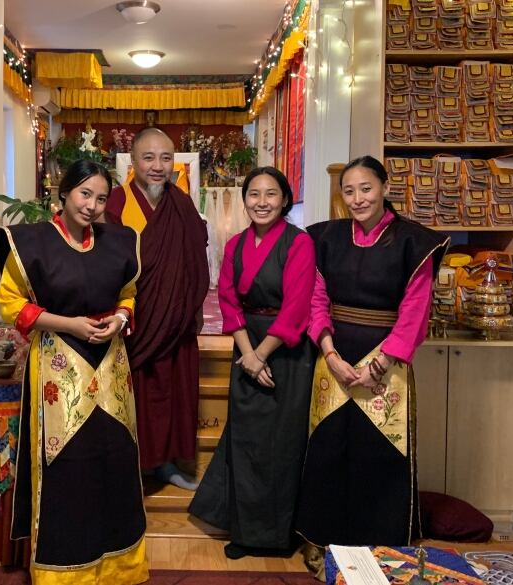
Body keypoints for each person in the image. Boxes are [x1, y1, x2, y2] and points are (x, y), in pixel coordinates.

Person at [0, 160, 148, 585]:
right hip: (59, 366)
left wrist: (119, 319)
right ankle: (63, 572)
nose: (92, 205)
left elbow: (128, 294)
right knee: (65, 465)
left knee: (114, 459)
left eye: (101, 198)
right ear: (62, 194)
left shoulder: (119, 241)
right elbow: (13, 305)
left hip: (111, 363)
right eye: (85, 194)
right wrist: (70, 324)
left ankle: (119, 566)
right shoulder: (32, 243)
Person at [296, 155, 449, 579]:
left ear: (384, 187)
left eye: (366, 188)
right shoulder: (325, 239)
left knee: (378, 456)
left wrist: (381, 363)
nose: (358, 198)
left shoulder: (413, 242)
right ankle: (322, 541)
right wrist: (328, 352)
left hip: (388, 363)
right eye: (349, 191)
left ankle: (379, 546)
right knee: (328, 450)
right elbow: (316, 299)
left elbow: (416, 309)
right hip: (335, 361)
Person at [189, 167, 316, 559]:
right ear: (244, 200)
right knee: (245, 441)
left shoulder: (299, 243)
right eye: (254, 195)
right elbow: (228, 299)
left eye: (271, 194)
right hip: (246, 346)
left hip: (287, 351)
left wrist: (261, 355)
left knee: (283, 442)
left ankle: (280, 536)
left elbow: (297, 307)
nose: (262, 202)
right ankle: (245, 533)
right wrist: (247, 353)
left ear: (285, 199)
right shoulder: (236, 245)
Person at [105, 127, 209, 490]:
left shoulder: (181, 204)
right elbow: (105, 261)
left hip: (174, 321)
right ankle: (128, 465)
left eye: (166, 158)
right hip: (131, 320)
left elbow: (195, 259)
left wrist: (184, 307)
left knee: (172, 394)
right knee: (134, 394)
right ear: (132, 162)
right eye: (148, 157)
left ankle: (166, 464)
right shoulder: (115, 201)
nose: (157, 165)